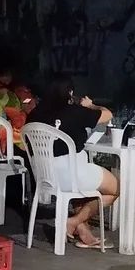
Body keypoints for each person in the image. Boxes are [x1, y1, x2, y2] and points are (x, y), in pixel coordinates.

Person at [27, 79, 119, 249]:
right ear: (69, 93)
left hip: (44, 175)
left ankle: (84, 232)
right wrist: (90, 105)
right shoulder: (75, 111)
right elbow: (108, 114)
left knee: (79, 189)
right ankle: (72, 222)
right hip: (71, 174)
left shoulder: (34, 114)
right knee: (114, 189)